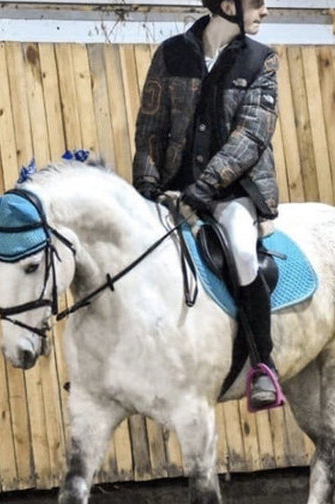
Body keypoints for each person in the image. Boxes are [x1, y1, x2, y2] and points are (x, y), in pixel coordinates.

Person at [132, 0, 281, 409]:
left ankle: (262, 364)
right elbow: (150, 128)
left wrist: (205, 187)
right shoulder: (171, 55)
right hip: (173, 191)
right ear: (228, 5)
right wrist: (146, 185)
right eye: (257, 3)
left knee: (242, 252)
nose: (265, 11)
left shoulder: (261, 62)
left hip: (231, 194)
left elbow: (251, 137)